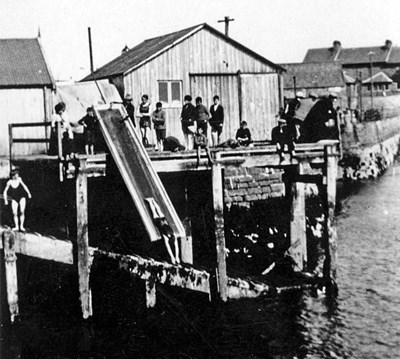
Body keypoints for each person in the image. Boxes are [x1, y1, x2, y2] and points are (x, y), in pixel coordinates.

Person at [145, 198, 180, 264]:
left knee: (159, 211)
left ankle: (153, 200)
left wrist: (177, 256)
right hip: (159, 223)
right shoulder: (166, 237)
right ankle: (150, 201)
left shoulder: (173, 235)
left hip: (164, 221)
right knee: (154, 212)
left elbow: (176, 247)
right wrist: (173, 257)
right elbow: (169, 248)